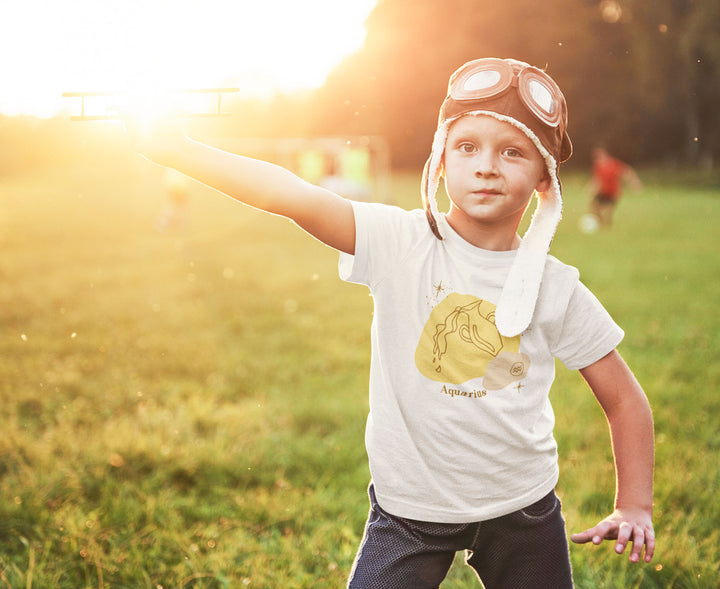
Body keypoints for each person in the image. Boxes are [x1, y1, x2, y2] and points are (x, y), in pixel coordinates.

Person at [123, 58, 655, 588]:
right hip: (410, 509)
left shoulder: (556, 286)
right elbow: (294, 196)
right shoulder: (399, 242)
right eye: (467, 146)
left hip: (522, 506)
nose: (487, 166)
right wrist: (180, 152)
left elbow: (625, 400)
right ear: (442, 160)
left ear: (543, 176)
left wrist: (634, 504)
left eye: (511, 152)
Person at [588, 146, 643, 228]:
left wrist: (635, 184)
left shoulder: (613, 164)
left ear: (605, 155)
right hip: (603, 191)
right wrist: (590, 188)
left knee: (607, 210)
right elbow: (596, 179)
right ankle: (601, 223)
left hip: (613, 192)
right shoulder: (598, 166)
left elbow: (627, 172)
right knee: (594, 206)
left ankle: (607, 225)